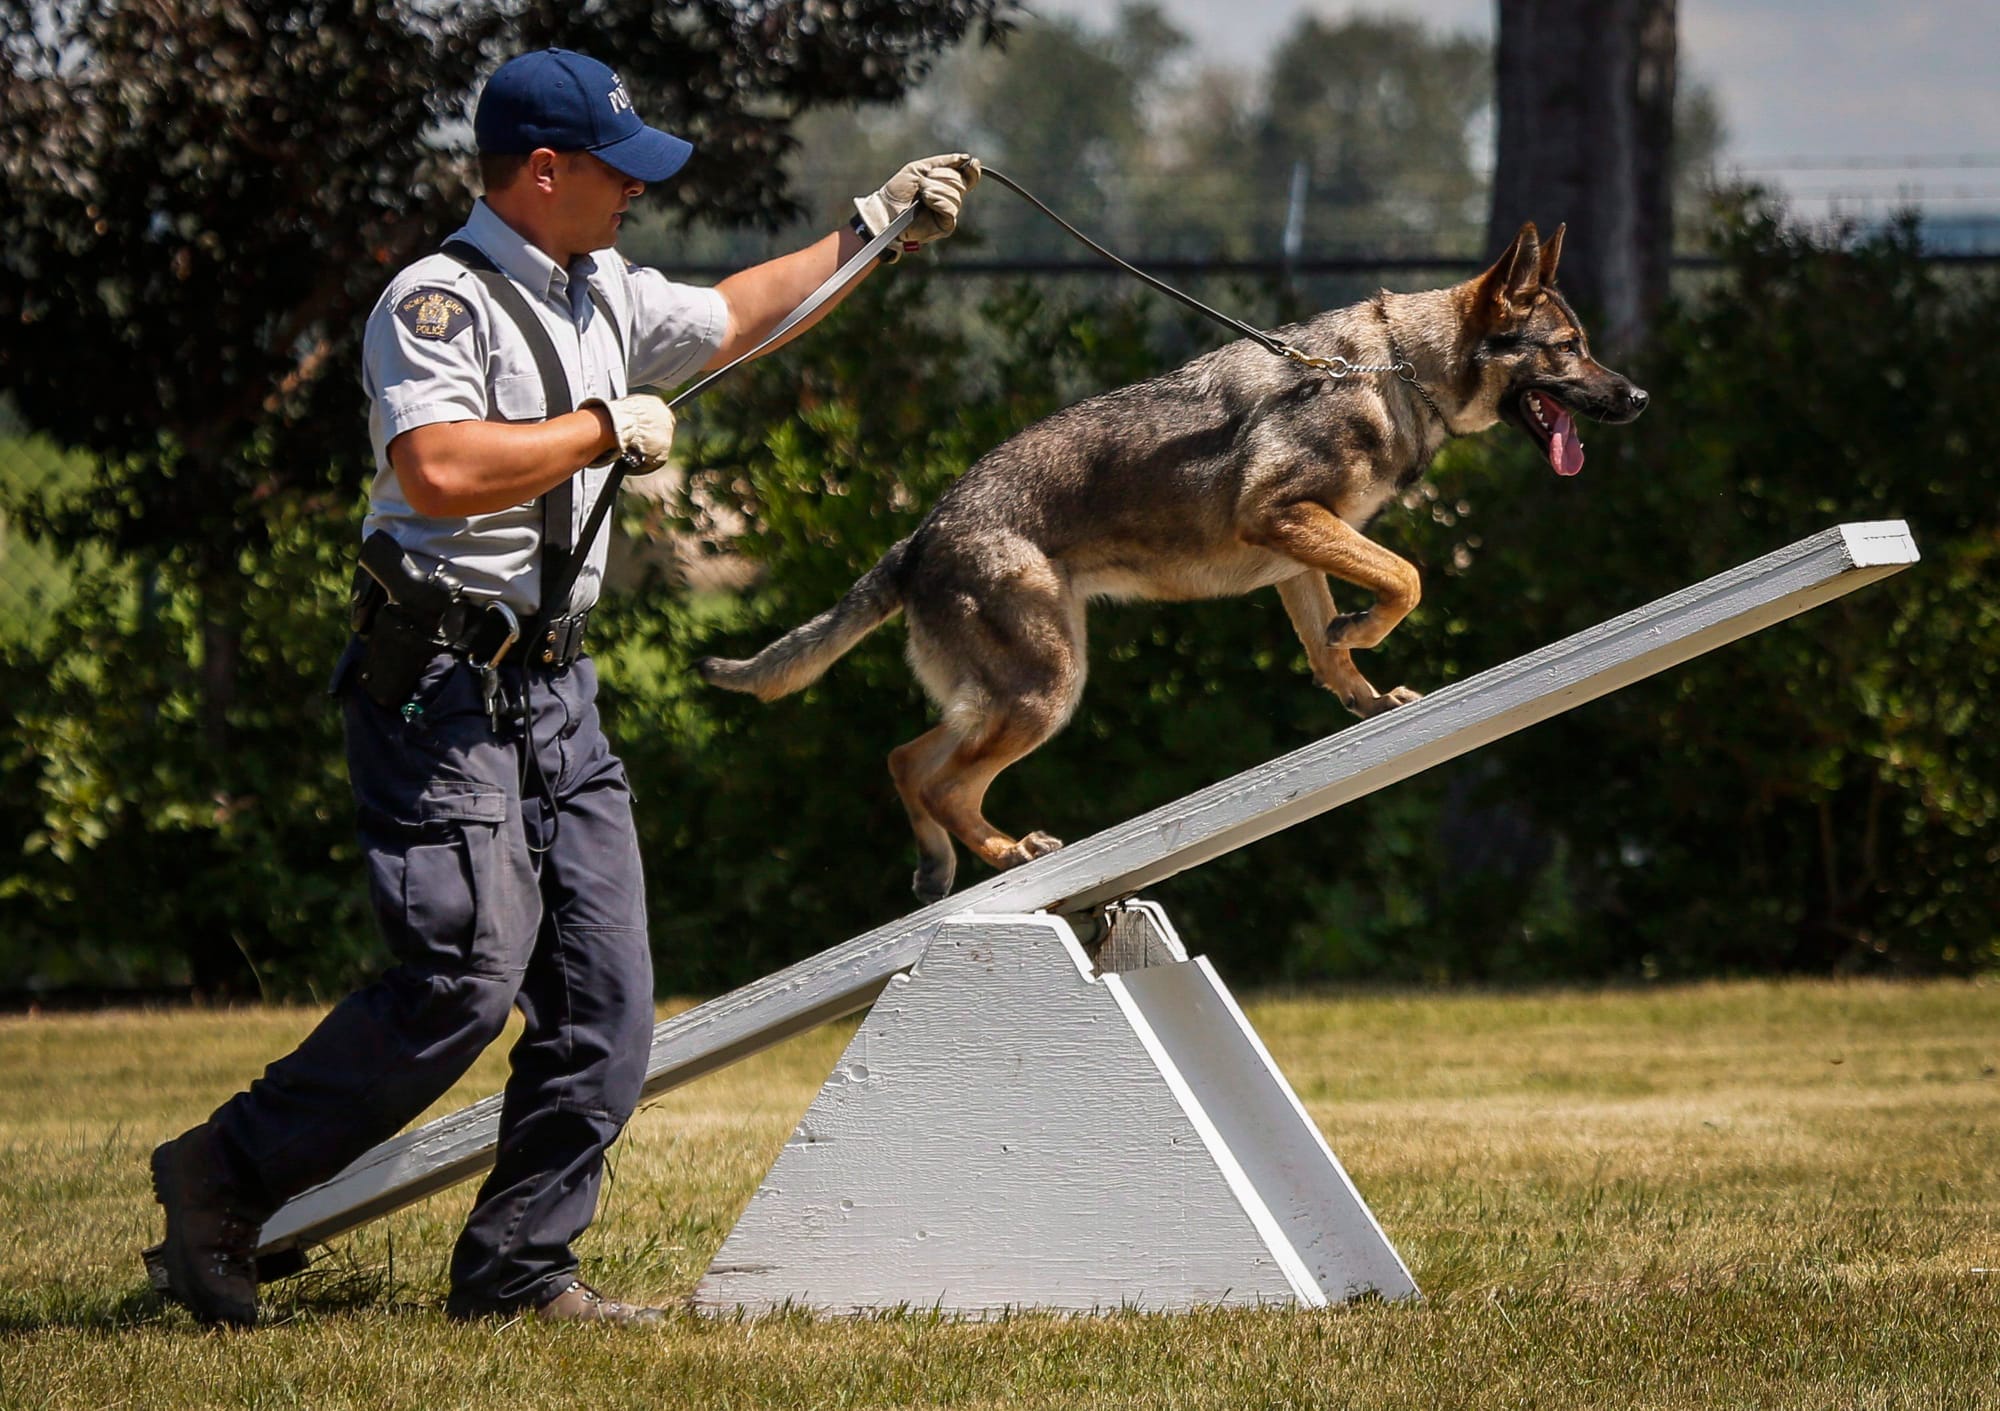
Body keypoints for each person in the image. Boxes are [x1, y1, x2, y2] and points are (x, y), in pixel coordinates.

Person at [146, 46, 979, 1328]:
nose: (636, 194)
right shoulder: (436, 302)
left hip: (554, 692)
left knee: (607, 1004)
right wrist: (602, 430)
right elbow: (434, 470)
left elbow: (739, 313)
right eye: (617, 170)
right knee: (464, 979)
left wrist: (870, 232)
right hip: (434, 685)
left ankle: (518, 1272)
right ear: (544, 172)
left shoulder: (603, 292)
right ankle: (223, 1171)